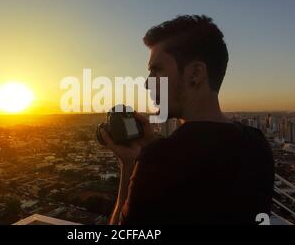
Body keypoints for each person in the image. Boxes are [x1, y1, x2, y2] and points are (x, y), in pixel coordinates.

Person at [101, 15, 274, 225]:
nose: (147, 84)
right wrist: (154, 146)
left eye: (156, 70)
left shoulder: (159, 162)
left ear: (195, 74)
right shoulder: (256, 143)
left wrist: (129, 165)